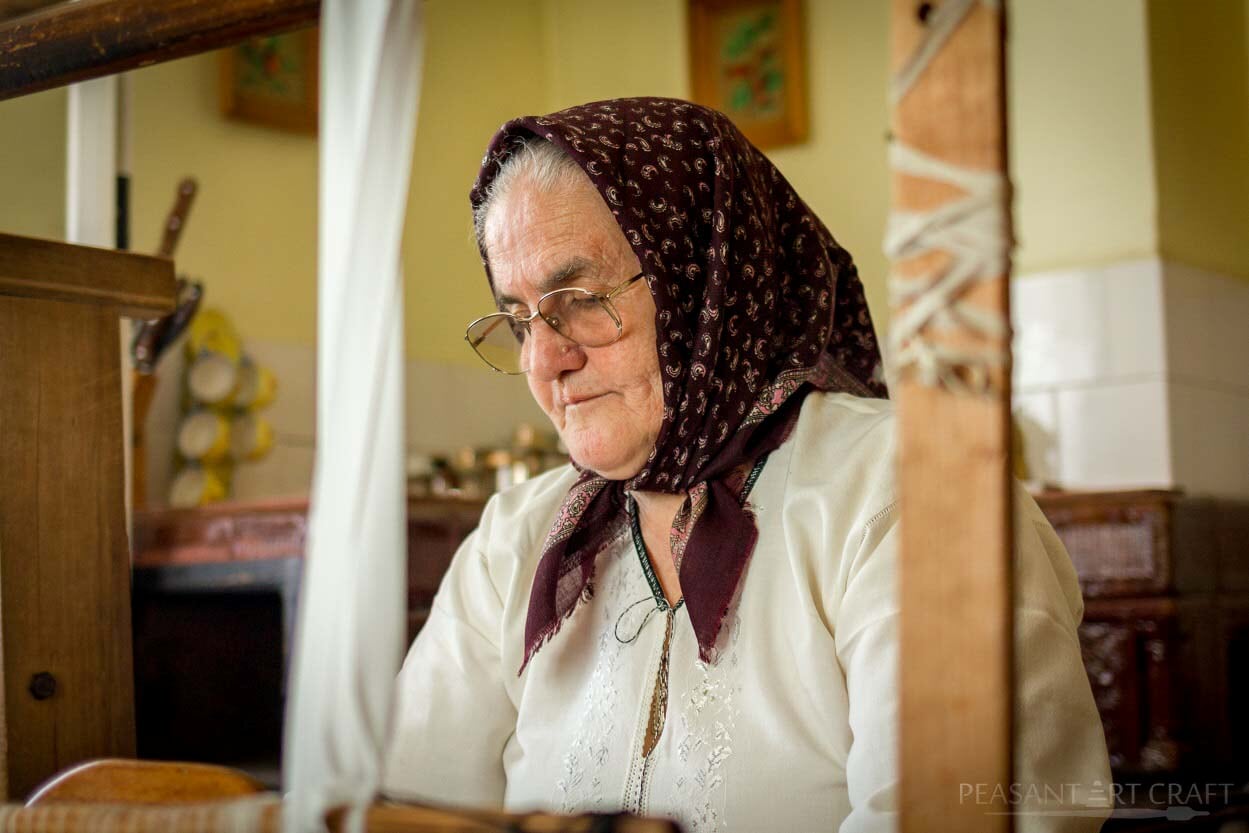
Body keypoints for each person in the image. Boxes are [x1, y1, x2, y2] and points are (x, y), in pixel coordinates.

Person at [383, 97, 1111, 832]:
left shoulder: (913, 489)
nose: (545, 360)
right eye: (518, 318)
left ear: (706, 281)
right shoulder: (515, 539)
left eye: (578, 298)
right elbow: (407, 808)